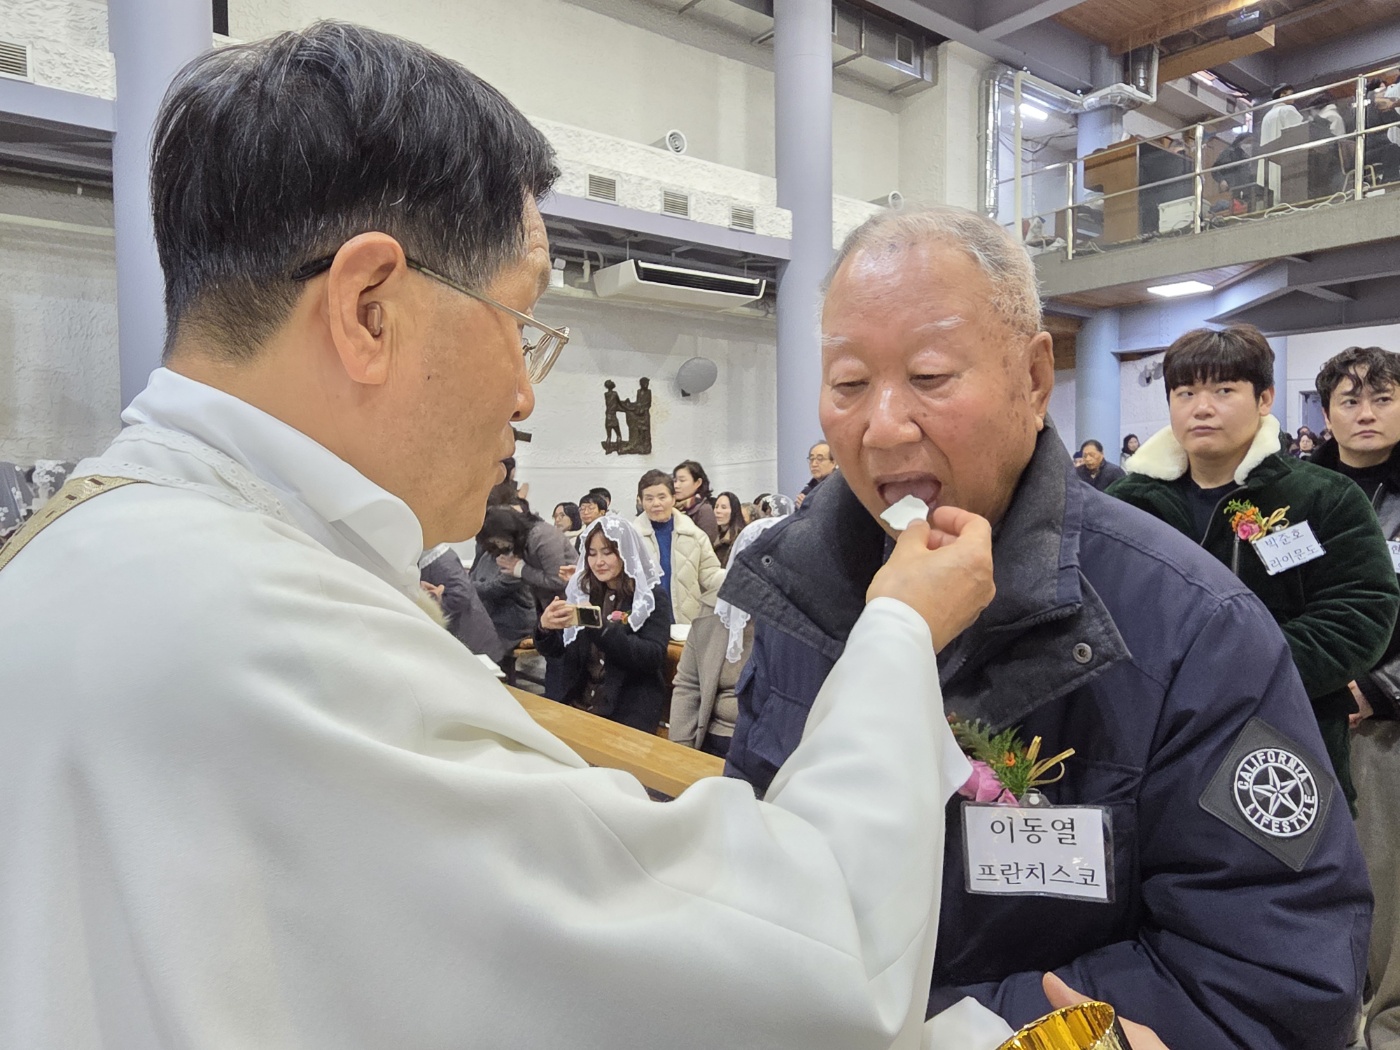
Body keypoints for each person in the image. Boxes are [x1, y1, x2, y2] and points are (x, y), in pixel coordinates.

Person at [0, 22, 1037, 1050]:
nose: (524, 389)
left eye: (932, 378)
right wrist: (899, 628)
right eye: (518, 317)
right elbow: (815, 960)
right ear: (368, 308)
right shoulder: (267, 638)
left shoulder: (89, 549)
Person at [719, 205, 1373, 1049]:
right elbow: (754, 854)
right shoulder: (799, 593)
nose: (882, 423)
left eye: (928, 376)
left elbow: (1271, 972)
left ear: (1034, 381)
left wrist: (963, 1030)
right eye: (848, 384)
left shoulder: (1190, 626)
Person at [1109, 325, 1398, 811]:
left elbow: (1359, 612)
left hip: (1287, 744)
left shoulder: (1322, 496)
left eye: (1224, 390)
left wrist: (1224, 672)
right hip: (1150, 744)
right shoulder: (1125, 505)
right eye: (1186, 392)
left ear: (1264, 398)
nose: (1202, 407)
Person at [1308, 345, 1400, 1050]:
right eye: (1349, 400)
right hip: (1307, 715)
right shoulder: (1294, 495)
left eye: (1382, 398)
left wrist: (1378, 687)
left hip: (1385, 724)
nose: (1365, 413)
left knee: (1386, 879)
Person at [536, 516, 671, 732]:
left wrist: (600, 628)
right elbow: (558, 651)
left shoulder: (650, 598)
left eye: (608, 552)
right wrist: (545, 628)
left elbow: (652, 657)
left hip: (625, 710)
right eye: (591, 553)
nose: (599, 561)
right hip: (579, 703)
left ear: (625, 552)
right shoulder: (586, 591)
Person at [671, 517, 784, 756]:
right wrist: (680, 752)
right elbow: (688, 685)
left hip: (771, 747)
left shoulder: (799, 621)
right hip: (716, 737)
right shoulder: (714, 610)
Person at [633, 468, 725, 625]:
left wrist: (736, 580)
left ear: (673, 499)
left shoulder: (694, 535)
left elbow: (710, 574)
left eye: (662, 497)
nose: (656, 504)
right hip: (645, 624)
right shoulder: (632, 537)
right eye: (649, 498)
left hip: (685, 622)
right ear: (640, 501)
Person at [470, 507, 539, 663]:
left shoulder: (519, 556)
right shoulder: (489, 553)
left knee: (477, 636)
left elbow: (495, 588)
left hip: (513, 622)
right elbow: (473, 577)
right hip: (492, 614)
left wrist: (467, 586)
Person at [419, 542, 508, 663]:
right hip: (462, 636)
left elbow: (460, 595)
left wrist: (430, 607)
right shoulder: (431, 559)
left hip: (471, 637)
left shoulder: (440, 559)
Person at [1258, 85, 1304, 206]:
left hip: (1269, 161)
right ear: (1282, 95)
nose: (1294, 97)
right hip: (1286, 162)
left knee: (1272, 189)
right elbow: (1299, 133)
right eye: (1291, 94)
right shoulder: (1288, 110)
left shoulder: (1267, 116)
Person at [673, 459, 718, 544]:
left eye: (682, 481)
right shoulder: (672, 508)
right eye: (675, 481)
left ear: (697, 483)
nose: (676, 485)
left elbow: (707, 544)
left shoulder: (704, 510)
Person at [796, 441, 836, 507]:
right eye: (811, 459)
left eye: (820, 459)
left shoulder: (840, 489)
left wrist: (808, 510)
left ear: (834, 462)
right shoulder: (808, 491)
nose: (814, 464)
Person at [711, 490, 745, 567]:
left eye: (723, 507)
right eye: (716, 507)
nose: (718, 511)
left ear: (734, 511)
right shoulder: (713, 535)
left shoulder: (740, 538)